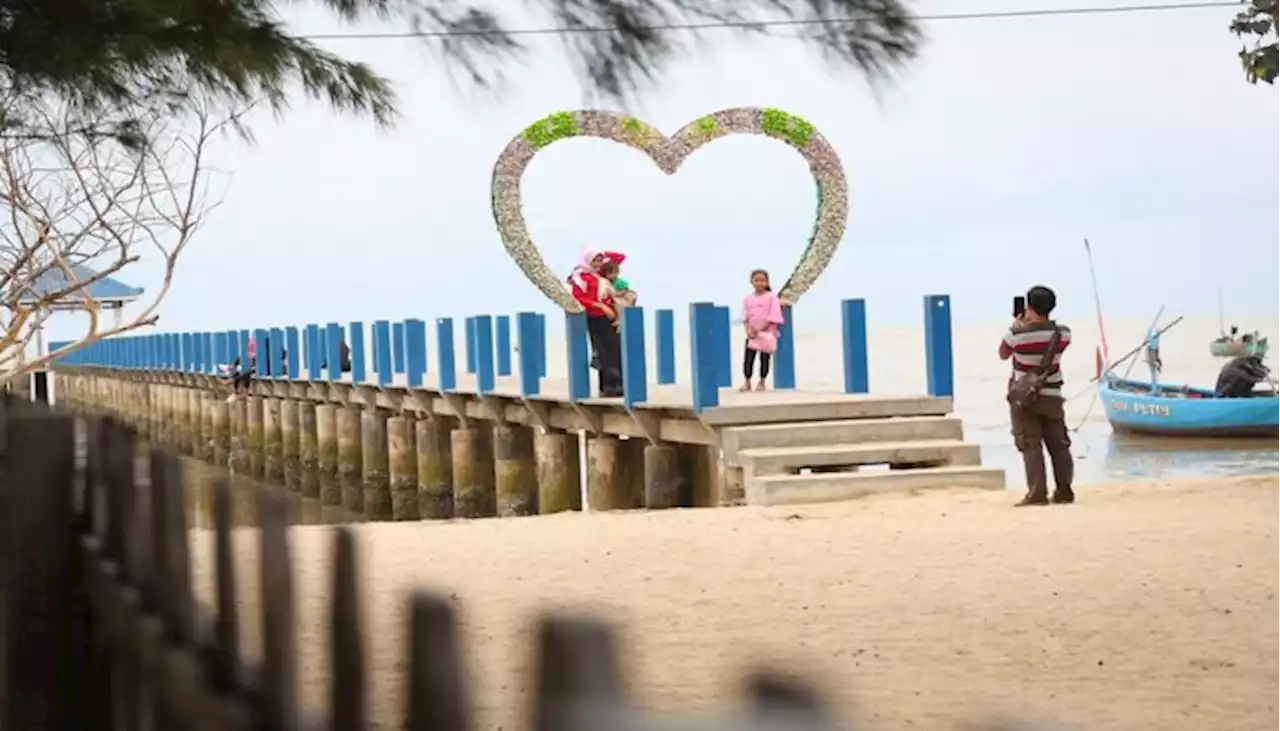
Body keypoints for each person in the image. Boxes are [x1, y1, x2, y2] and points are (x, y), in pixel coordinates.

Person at [999, 285, 1074, 507]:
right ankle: (1064, 490)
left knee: (1031, 445)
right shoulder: (1063, 333)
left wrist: (1018, 325)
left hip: (1025, 398)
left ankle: (1037, 493)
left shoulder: (1015, 335)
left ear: (1028, 307)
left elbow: (1003, 353)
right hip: (1053, 394)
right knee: (1058, 445)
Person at [568, 248, 624, 397]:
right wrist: (601, 306)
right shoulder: (580, 277)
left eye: (600, 260)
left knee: (615, 350)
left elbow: (619, 257)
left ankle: (619, 385)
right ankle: (608, 387)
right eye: (595, 260)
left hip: (608, 317)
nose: (599, 263)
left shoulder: (598, 274)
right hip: (594, 317)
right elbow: (579, 298)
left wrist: (602, 254)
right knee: (602, 352)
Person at [740, 268, 784, 392]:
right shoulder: (748, 299)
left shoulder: (772, 297)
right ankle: (747, 382)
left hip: (767, 333)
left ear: (767, 282)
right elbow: (745, 316)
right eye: (756, 280)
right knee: (748, 359)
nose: (759, 283)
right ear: (752, 282)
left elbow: (774, 315)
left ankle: (762, 381)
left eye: (762, 280)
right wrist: (748, 330)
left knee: (764, 359)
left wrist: (761, 327)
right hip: (752, 334)